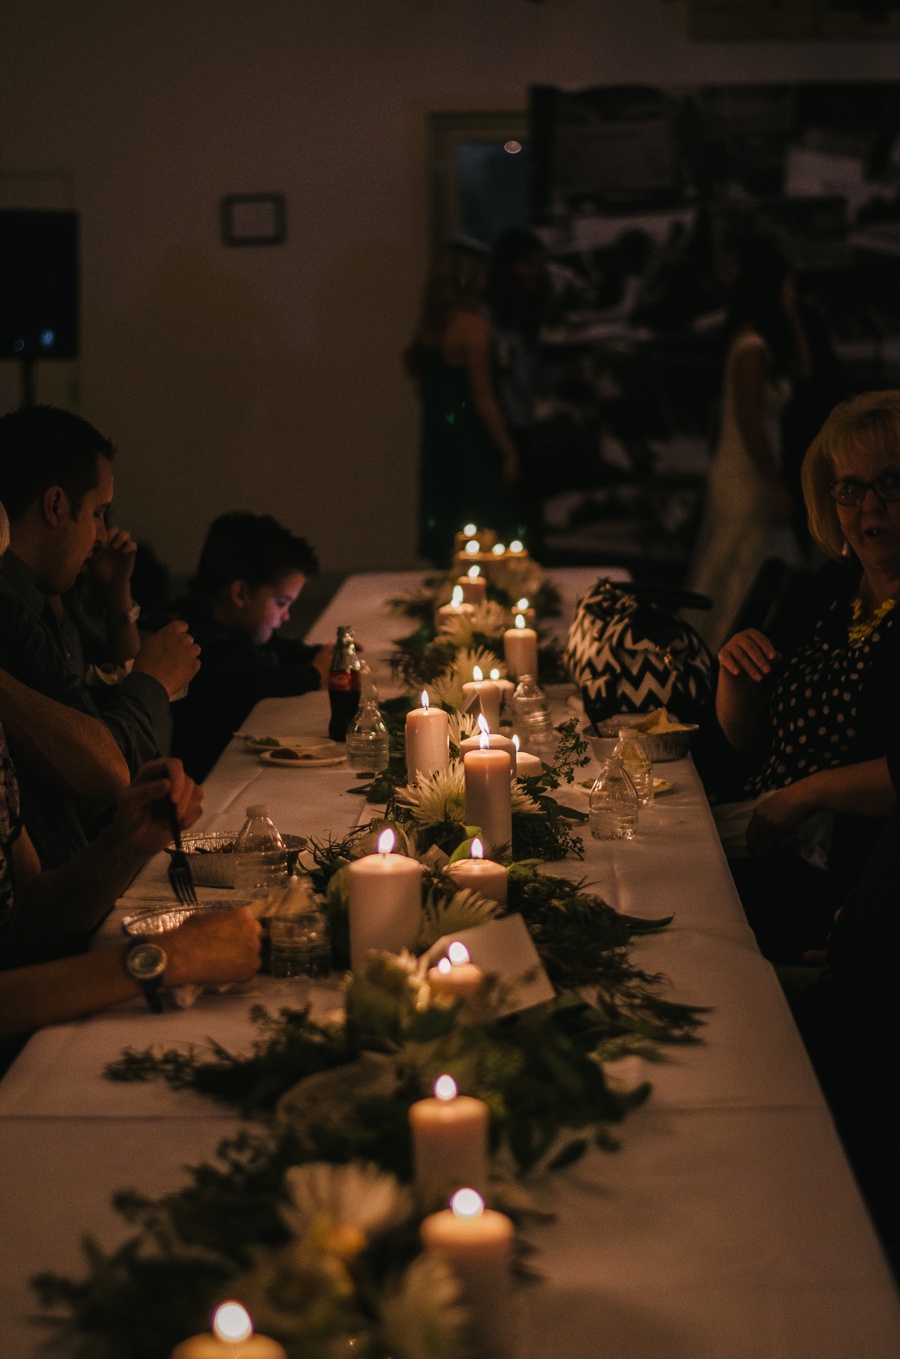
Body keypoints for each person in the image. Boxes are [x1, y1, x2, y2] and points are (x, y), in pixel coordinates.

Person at [711, 390, 900, 961]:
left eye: (890, 483)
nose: (868, 507)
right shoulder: (830, 591)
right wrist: (735, 678)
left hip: (843, 882)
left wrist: (806, 795)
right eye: (848, 487)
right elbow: (747, 738)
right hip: (760, 833)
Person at [0, 406, 200, 863]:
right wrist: (155, 683)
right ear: (55, 505)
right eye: (97, 512)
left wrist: (118, 602)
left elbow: (103, 695)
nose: (102, 534)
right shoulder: (11, 608)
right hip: (58, 879)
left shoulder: (48, 598)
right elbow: (111, 767)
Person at [689, 240, 810, 650]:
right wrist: (774, 483)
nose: (793, 296)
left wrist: (790, 315)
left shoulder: (761, 343)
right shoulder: (751, 348)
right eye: (788, 288)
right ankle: (725, 647)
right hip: (748, 469)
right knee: (741, 561)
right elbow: (749, 422)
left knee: (751, 557)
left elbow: (803, 367)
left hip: (755, 465)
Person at [170, 512, 331, 781]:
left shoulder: (240, 629)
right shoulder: (198, 643)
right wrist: (314, 674)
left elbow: (280, 649)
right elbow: (252, 679)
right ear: (241, 594)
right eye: (281, 603)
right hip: (208, 780)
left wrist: (317, 655)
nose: (287, 615)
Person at [405, 241, 520, 565]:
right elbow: (483, 398)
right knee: (483, 515)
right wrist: (508, 449)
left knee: (446, 513)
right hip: (472, 437)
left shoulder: (428, 326)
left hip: (439, 434)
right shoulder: (473, 327)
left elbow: (423, 385)